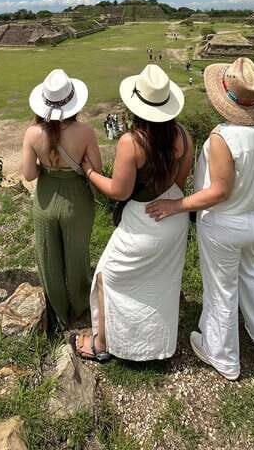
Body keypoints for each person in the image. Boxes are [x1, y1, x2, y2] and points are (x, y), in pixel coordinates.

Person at [146, 57, 254, 380]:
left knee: (221, 289)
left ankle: (222, 355)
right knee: (251, 273)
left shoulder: (223, 136)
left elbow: (219, 191)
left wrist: (176, 205)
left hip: (225, 223)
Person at [75, 64, 192, 362]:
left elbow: (119, 191)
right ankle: (155, 342)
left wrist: (90, 172)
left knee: (108, 276)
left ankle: (103, 344)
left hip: (144, 222)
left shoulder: (132, 141)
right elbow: (179, 181)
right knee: (160, 282)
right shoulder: (183, 135)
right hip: (174, 215)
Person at [23, 69, 102, 331]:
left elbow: (29, 174)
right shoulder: (85, 132)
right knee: (77, 254)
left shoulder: (32, 133)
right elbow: (97, 170)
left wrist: (46, 163)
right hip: (76, 200)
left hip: (45, 199)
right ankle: (79, 304)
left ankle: (58, 310)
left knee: (49, 258)